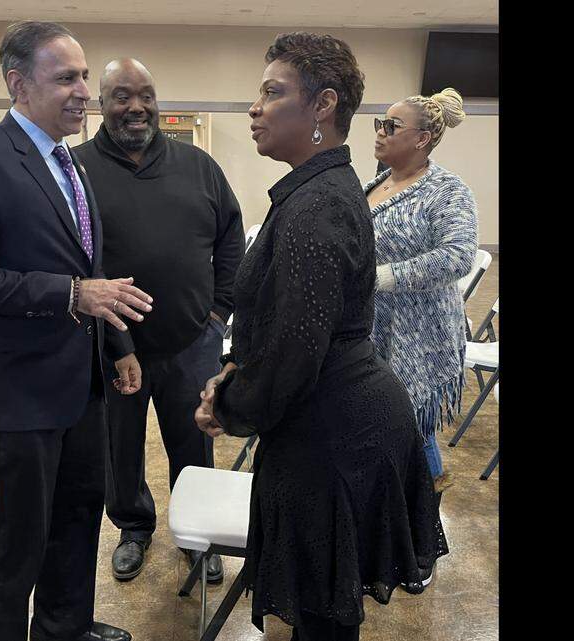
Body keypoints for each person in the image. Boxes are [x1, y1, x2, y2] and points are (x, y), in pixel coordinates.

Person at [195, 33, 448, 641]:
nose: (254, 108)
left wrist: (229, 405)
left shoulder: (316, 208)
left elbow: (296, 352)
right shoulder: (323, 190)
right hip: (333, 417)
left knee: (323, 620)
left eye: (272, 92)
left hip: (335, 434)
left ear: (323, 106)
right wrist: (236, 377)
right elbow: (292, 329)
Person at [0, 21, 152, 641]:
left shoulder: (68, 163)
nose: (85, 90)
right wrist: (69, 294)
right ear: (17, 84)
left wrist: (120, 347)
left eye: (85, 76)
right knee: (19, 534)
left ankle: (64, 628)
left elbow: (88, 266)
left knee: (78, 517)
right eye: (67, 78)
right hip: (21, 387)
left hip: (82, 382)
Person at [73, 58, 245, 584]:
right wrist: (112, 337)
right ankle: (132, 526)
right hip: (111, 346)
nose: (136, 107)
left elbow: (231, 241)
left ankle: (198, 535)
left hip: (193, 340)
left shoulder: (199, 166)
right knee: (119, 448)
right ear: (101, 104)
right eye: (121, 96)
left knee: (193, 442)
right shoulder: (76, 170)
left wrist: (218, 314)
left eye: (145, 94)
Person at [364, 88, 477, 503]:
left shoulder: (446, 190)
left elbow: (458, 256)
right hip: (372, 327)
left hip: (420, 333)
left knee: (412, 426)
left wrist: (383, 277)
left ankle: (424, 532)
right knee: (383, 424)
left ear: (421, 138)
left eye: (391, 126)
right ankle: (389, 518)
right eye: (379, 123)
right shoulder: (374, 183)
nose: (380, 132)